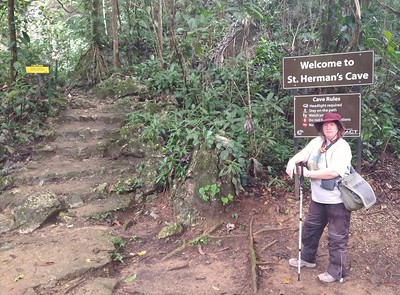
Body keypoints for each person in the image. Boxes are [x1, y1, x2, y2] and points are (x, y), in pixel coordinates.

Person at [285, 112, 352, 283]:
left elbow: (334, 172)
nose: (328, 126)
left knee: (337, 237)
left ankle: (337, 272)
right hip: (318, 199)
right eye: (325, 124)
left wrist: (308, 173)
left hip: (337, 200)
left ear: (338, 127)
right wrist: (293, 161)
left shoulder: (343, 147)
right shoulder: (317, 142)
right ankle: (308, 259)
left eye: (332, 124)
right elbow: (304, 154)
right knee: (310, 229)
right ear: (322, 128)